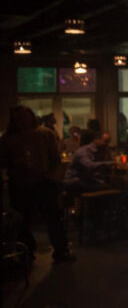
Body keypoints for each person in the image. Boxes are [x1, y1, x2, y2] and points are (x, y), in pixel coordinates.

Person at [0, 106, 75, 262]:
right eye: (18, 118)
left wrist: (51, 177)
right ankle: (27, 252)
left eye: (24, 117)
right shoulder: (9, 138)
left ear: (31, 116)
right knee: (23, 220)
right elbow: (3, 161)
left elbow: (55, 159)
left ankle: (61, 250)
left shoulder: (45, 134)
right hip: (20, 183)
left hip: (43, 181)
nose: (22, 121)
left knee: (53, 217)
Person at [64, 131, 114, 196]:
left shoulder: (102, 151)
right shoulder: (84, 151)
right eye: (105, 141)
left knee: (112, 186)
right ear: (96, 140)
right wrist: (110, 163)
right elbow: (89, 165)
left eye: (108, 142)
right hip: (74, 182)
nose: (107, 144)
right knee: (105, 188)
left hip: (86, 180)